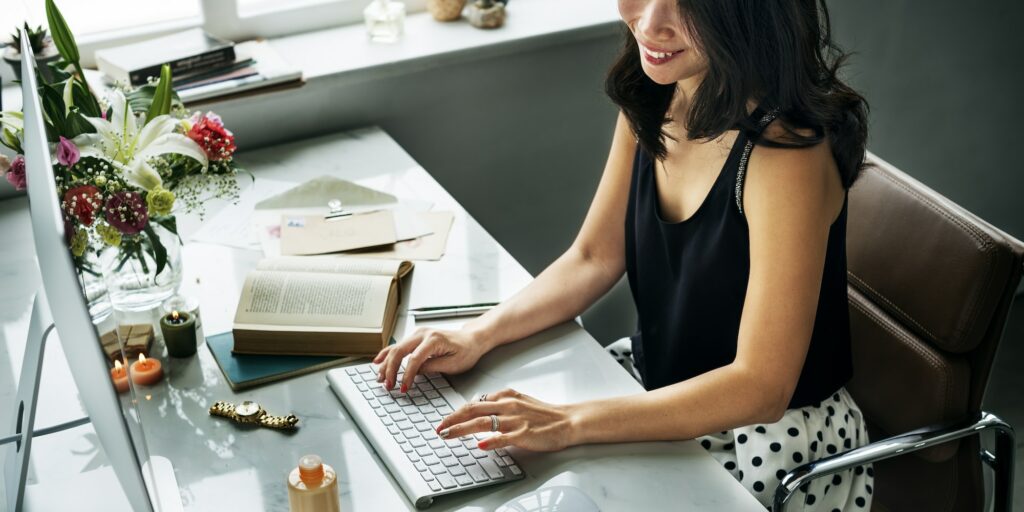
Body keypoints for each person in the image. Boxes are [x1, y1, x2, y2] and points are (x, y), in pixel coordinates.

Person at [375, 0, 873, 508]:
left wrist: (569, 422)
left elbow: (761, 386)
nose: (650, 23)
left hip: (766, 441)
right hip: (657, 391)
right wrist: (475, 334)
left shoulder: (785, 155)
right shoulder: (655, 95)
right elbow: (594, 256)